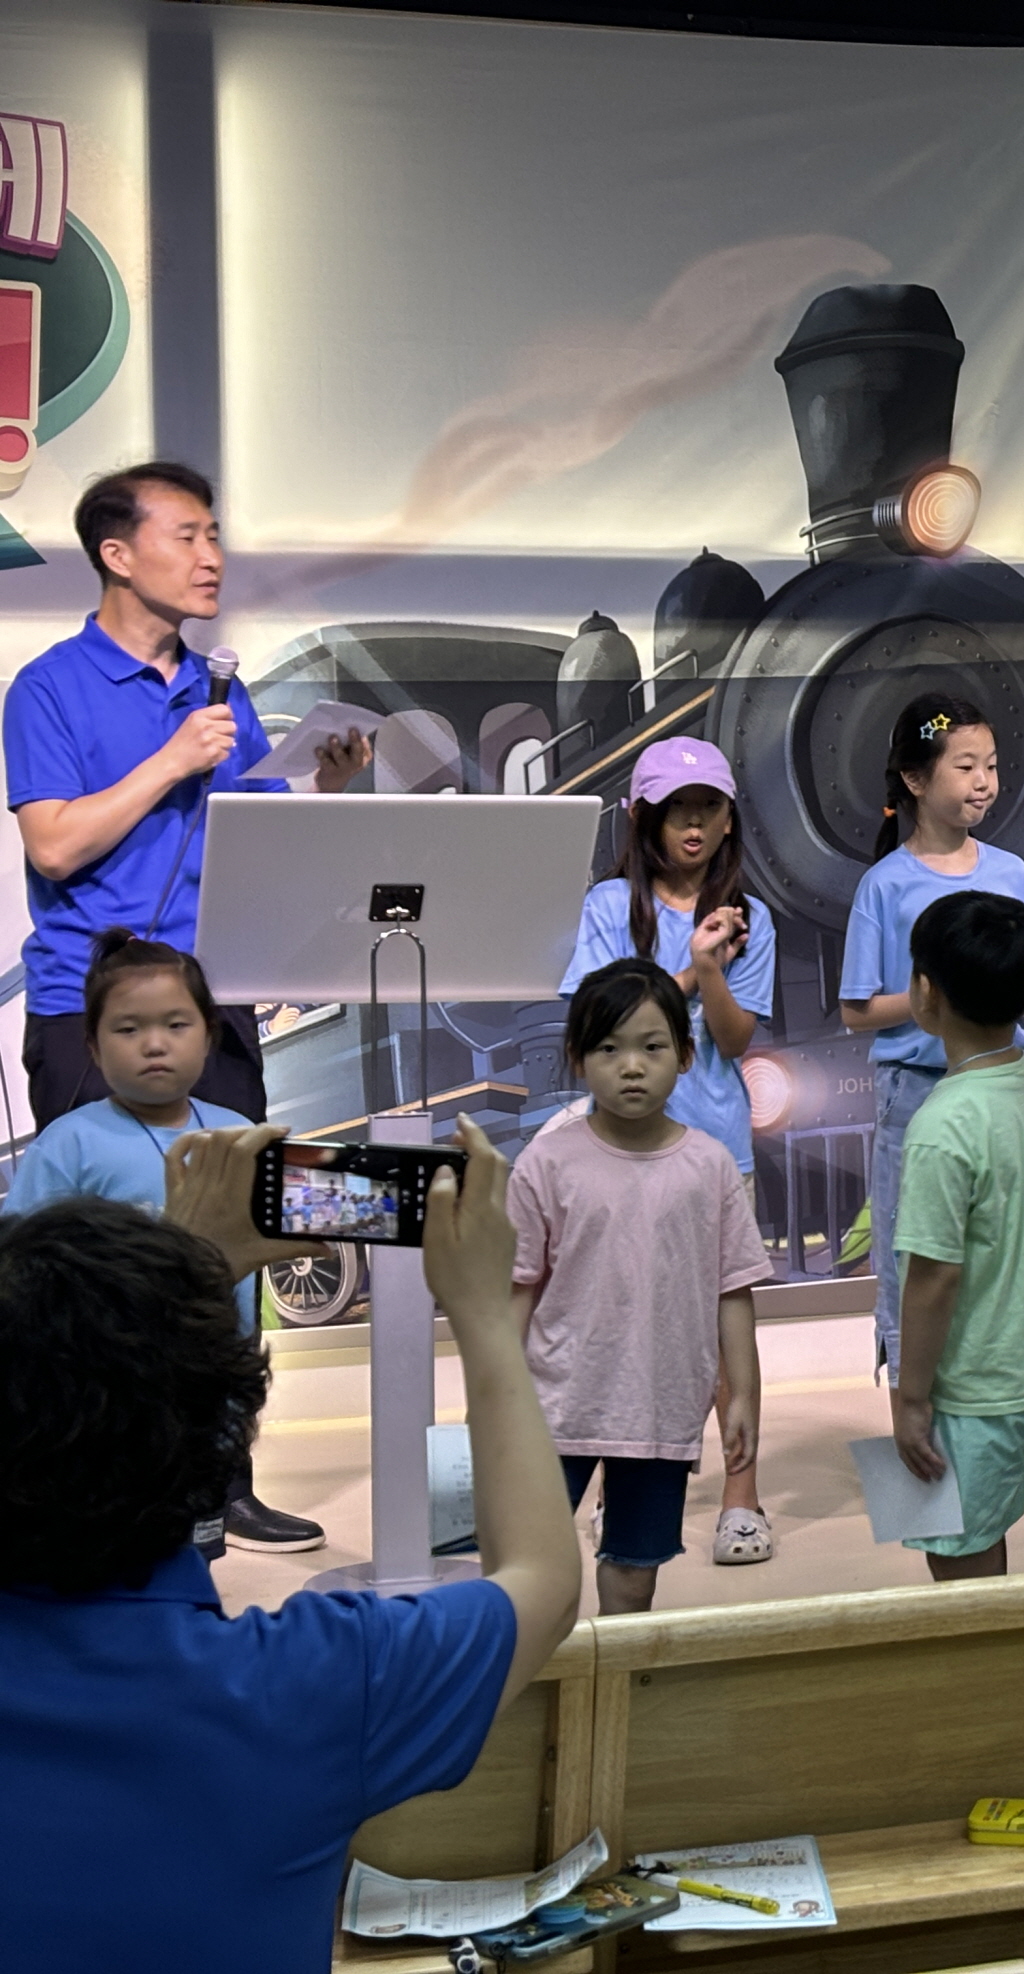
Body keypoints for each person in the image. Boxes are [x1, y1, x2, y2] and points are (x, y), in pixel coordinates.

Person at [0, 1117, 579, 1972]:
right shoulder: (318, 1684)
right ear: (225, 1440)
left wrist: (177, 1282)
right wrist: (485, 1314)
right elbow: (545, 1580)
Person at [4, 462, 369, 1128]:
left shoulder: (220, 687)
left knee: (228, 1192)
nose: (211, 559)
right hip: (93, 1007)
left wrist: (326, 781)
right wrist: (171, 761)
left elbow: (262, 837)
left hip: (213, 999)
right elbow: (53, 848)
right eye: (186, 538)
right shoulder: (47, 686)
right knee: (108, 1196)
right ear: (117, 556)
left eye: (214, 537)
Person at [0, 930, 321, 1553]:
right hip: (107, 1380)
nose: (154, 1043)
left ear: (209, 1034)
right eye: (128, 1029)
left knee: (199, 1538)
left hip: (210, 1374)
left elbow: (298, 1217)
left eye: (176, 1024)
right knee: (120, 1534)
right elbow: (21, 1259)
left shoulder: (240, 1133)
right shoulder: (69, 1142)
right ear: (92, 1045)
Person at [561, 735, 780, 1567]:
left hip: (715, 1148)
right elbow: (602, 1022)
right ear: (642, 819)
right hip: (613, 1150)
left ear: (729, 820)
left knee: (726, 1326)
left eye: (707, 809)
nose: (693, 824)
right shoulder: (607, 906)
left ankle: (741, 1496)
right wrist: (689, 967)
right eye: (675, 810)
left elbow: (735, 1037)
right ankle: (618, 1485)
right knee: (617, 1322)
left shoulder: (751, 917)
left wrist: (714, 972)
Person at [510, 960, 770, 1616]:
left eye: (652, 1047)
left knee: (633, 1576)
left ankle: (616, 1679)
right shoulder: (546, 1161)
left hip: (661, 1408)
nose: (631, 1066)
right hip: (553, 1407)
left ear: (684, 1055)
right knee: (528, 1569)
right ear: (577, 1058)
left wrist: (742, 1396)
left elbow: (733, 1291)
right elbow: (517, 1290)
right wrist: (492, 1395)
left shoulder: (709, 1166)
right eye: (608, 1048)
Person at [839, 694, 1024, 1387]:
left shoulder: (1011, 873)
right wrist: (943, 995)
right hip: (915, 1095)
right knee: (914, 1253)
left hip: (1001, 1086)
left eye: (990, 765)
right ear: (914, 778)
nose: (984, 782)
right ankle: (912, 1405)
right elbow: (857, 1010)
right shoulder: (884, 885)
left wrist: (979, 994)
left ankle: (998, 1391)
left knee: (1004, 1247)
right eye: (965, 766)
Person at [888, 892, 1024, 1579]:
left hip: (974, 1385)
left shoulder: (941, 1127)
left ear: (925, 993)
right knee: (985, 1533)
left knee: (955, 1559)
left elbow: (933, 1276)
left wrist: (911, 1398)